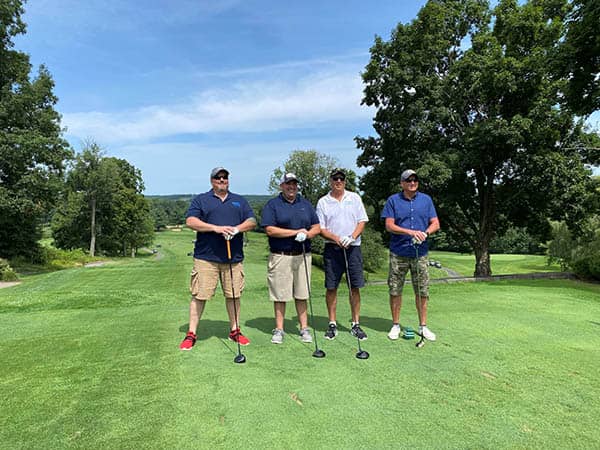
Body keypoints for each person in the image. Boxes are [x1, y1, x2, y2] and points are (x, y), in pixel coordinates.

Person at [179, 167, 257, 351]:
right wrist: (216, 228)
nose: (222, 180)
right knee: (200, 295)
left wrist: (237, 229)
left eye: (225, 177)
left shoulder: (239, 200)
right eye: (218, 177)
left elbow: (252, 221)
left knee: (234, 295)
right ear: (211, 180)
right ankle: (191, 333)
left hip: (233, 258)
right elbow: (191, 221)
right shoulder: (202, 200)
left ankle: (235, 330)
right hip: (206, 258)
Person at [261, 173, 321, 344]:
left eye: (294, 184)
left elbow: (316, 226)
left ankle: (304, 329)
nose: (291, 187)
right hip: (281, 255)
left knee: (302, 293)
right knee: (280, 294)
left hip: (302, 255)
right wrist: (296, 232)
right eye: (288, 184)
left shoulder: (305, 204)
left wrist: (308, 234)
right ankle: (279, 329)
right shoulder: (273, 205)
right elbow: (270, 230)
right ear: (282, 185)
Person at [381, 169, 440, 341]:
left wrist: (425, 233)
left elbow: (435, 223)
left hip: (420, 253)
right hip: (398, 252)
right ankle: (395, 325)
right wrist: (410, 232)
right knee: (395, 289)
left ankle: (423, 327)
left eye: (414, 180)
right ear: (402, 183)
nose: (412, 183)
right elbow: (389, 226)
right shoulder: (393, 200)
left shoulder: (426, 200)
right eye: (408, 180)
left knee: (422, 290)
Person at [316, 169, 369, 341]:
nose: (338, 181)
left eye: (341, 179)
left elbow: (362, 221)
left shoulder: (354, 198)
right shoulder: (323, 202)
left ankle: (355, 324)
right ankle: (332, 323)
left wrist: (352, 237)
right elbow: (321, 229)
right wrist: (337, 238)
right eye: (335, 178)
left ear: (345, 181)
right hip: (333, 249)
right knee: (331, 287)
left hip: (353, 248)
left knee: (354, 287)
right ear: (330, 181)